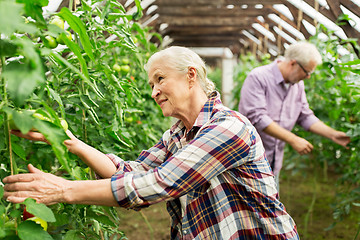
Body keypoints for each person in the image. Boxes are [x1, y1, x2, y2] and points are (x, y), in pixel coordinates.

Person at [4, 46, 299, 239]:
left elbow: (160, 184)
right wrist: (69, 141)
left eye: (160, 79)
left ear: (191, 76)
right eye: (151, 85)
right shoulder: (177, 135)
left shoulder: (228, 128)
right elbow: (129, 173)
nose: (154, 91)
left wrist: (64, 189)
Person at [238, 41, 351, 190]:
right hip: (249, 163)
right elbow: (258, 118)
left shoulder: (297, 85)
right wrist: (293, 139)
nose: (308, 77)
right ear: (293, 63)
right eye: (307, 72)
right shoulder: (258, 77)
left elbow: (305, 116)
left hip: (273, 163)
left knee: (270, 209)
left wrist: (333, 135)